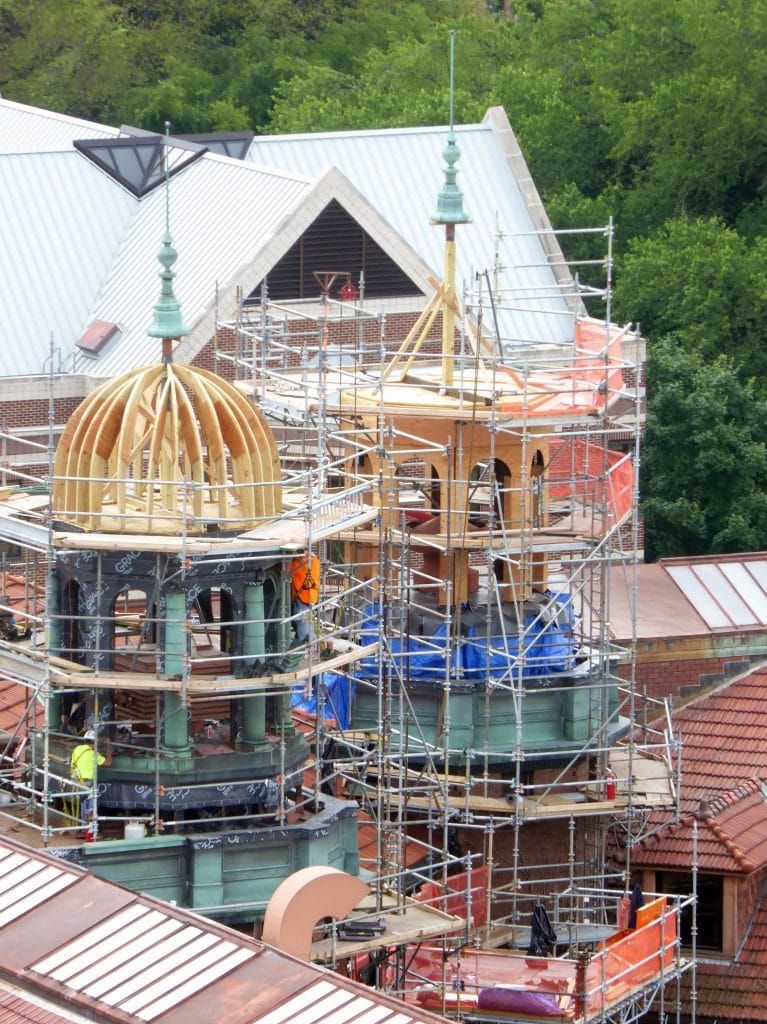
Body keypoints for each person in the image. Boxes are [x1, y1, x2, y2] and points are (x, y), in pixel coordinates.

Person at [70, 729, 112, 823]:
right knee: (90, 807)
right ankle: (90, 830)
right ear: (94, 742)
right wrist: (109, 748)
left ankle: (83, 827)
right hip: (87, 782)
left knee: (83, 804)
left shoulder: (77, 749)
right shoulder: (93, 754)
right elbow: (108, 763)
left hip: (76, 781)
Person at [289, 548, 320, 645]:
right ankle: (310, 643)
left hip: (302, 598)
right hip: (312, 598)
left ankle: (296, 653)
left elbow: (285, 571)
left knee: (303, 628)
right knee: (308, 622)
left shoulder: (297, 564)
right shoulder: (315, 560)